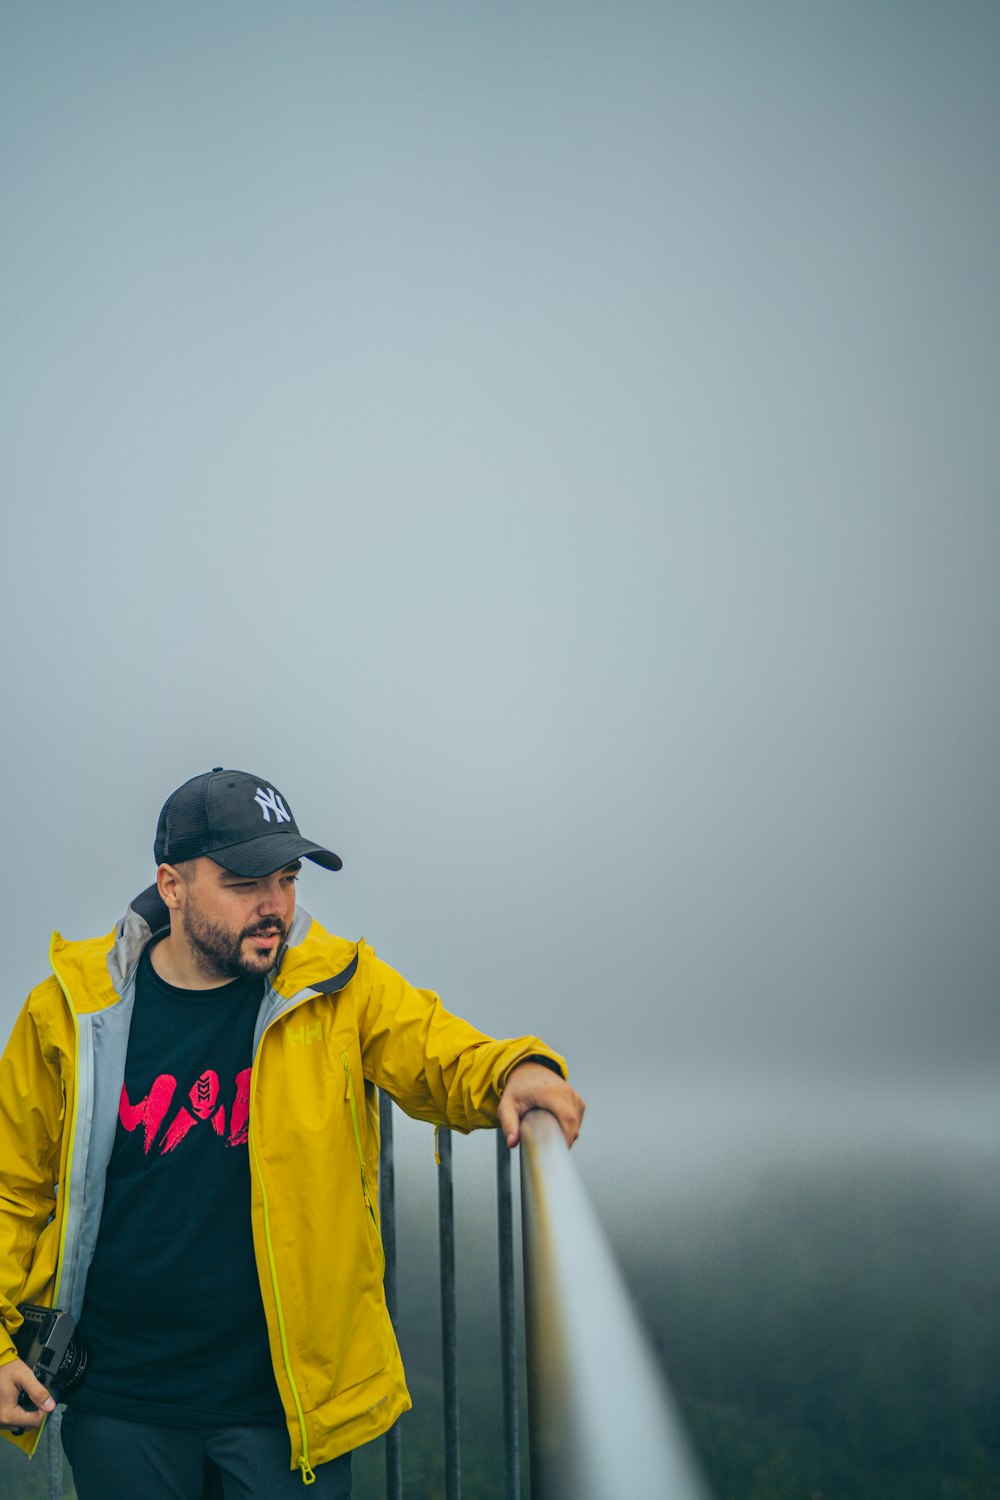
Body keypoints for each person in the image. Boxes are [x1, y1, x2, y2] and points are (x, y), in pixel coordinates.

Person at [0, 768, 584, 1498]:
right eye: (244, 883)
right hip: (123, 1404)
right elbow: (11, 1188)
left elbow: (436, 1049)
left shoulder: (335, 984)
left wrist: (516, 1070)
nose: (275, 904)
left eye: (286, 877)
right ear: (172, 887)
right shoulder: (71, 1010)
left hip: (284, 1408)